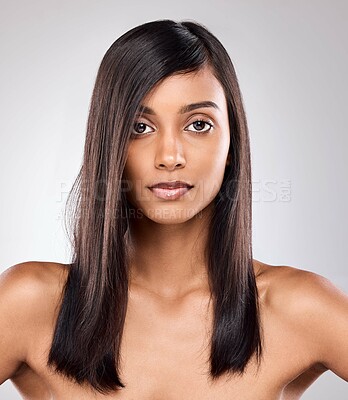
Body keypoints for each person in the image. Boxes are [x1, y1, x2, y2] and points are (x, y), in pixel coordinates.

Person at [0, 19, 347, 400]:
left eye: (198, 124)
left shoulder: (297, 308)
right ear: (108, 143)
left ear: (232, 144)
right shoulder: (30, 304)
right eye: (140, 126)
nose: (170, 156)